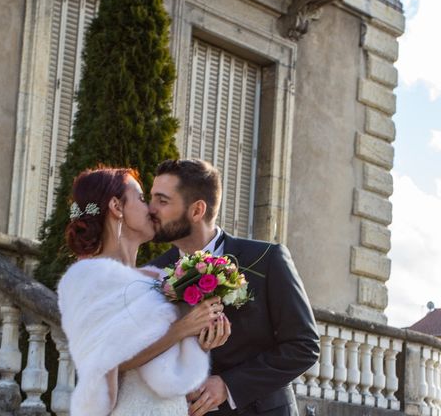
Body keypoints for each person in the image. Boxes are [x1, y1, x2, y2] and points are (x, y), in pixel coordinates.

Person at [148, 159, 320, 416]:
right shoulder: (153, 274)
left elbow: (304, 346)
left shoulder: (267, 259)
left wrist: (229, 385)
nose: (150, 209)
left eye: (162, 201)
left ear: (197, 211)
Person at [57, 167, 231, 416]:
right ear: (117, 207)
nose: (150, 208)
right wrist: (183, 328)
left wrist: (203, 340)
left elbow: (158, 360)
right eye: (140, 198)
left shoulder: (154, 279)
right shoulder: (91, 277)